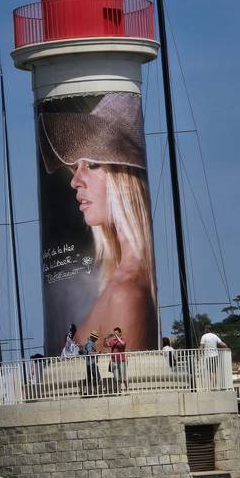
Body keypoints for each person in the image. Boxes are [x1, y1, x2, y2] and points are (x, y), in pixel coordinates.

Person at [38, 93, 157, 350]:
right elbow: (96, 341)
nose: (75, 181)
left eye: (91, 164)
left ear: (123, 177)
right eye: (75, 167)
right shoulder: (118, 280)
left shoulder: (126, 293)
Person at [106, 327, 127, 393]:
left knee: (123, 376)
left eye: (117, 333)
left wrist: (117, 338)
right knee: (116, 377)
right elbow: (106, 345)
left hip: (122, 360)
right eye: (114, 333)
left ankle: (127, 389)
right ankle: (119, 390)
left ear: (120, 333)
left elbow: (123, 344)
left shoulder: (123, 339)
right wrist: (106, 338)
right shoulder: (112, 340)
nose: (115, 334)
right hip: (114, 360)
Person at [80, 330, 101, 395]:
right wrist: (97, 353)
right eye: (95, 338)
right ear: (93, 337)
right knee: (97, 376)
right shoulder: (90, 343)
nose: (96, 339)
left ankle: (86, 390)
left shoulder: (88, 343)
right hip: (92, 363)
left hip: (88, 363)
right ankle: (94, 391)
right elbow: (89, 352)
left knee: (89, 377)